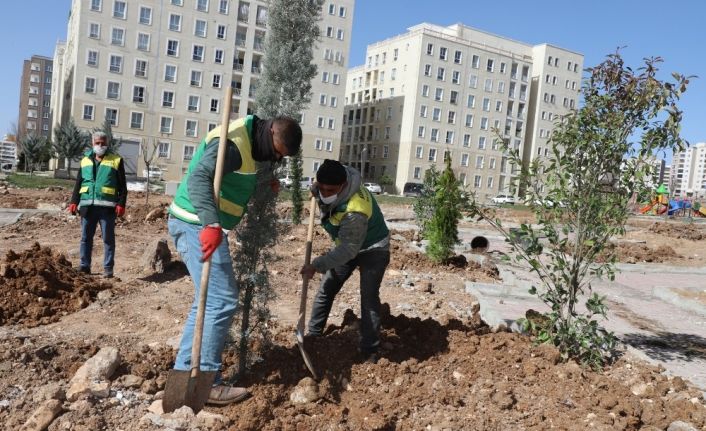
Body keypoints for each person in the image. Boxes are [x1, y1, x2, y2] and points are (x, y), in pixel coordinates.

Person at [168, 114, 301, 405]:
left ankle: (184, 378)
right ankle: (207, 383)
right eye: (277, 152)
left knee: (209, 299)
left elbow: (240, 175)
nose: (276, 158)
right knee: (222, 299)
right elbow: (200, 177)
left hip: (201, 225)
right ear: (271, 134)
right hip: (196, 224)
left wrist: (267, 183)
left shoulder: (254, 142)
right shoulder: (232, 144)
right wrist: (210, 224)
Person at [300, 159, 390, 363]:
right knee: (327, 288)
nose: (325, 193)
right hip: (348, 244)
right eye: (321, 187)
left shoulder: (355, 210)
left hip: (374, 249)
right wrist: (317, 191)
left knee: (368, 297)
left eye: (330, 190)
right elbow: (321, 187)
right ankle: (313, 336)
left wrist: (317, 265)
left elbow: (349, 249)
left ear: (342, 186)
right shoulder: (335, 181)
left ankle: (370, 350)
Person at [68, 131, 127, 278]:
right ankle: (84, 266)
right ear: (92, 143)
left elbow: (123, 186)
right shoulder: (85, 160)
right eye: (97, 143)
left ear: (107, 144)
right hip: (87, 207)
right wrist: (74, 201)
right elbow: (78, 183)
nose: (100, 145)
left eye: (103, 143)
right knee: (85, 238)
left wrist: (121, 203)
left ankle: (108, 269)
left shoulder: (116, 160)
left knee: (108, 239)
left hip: (107, 209)